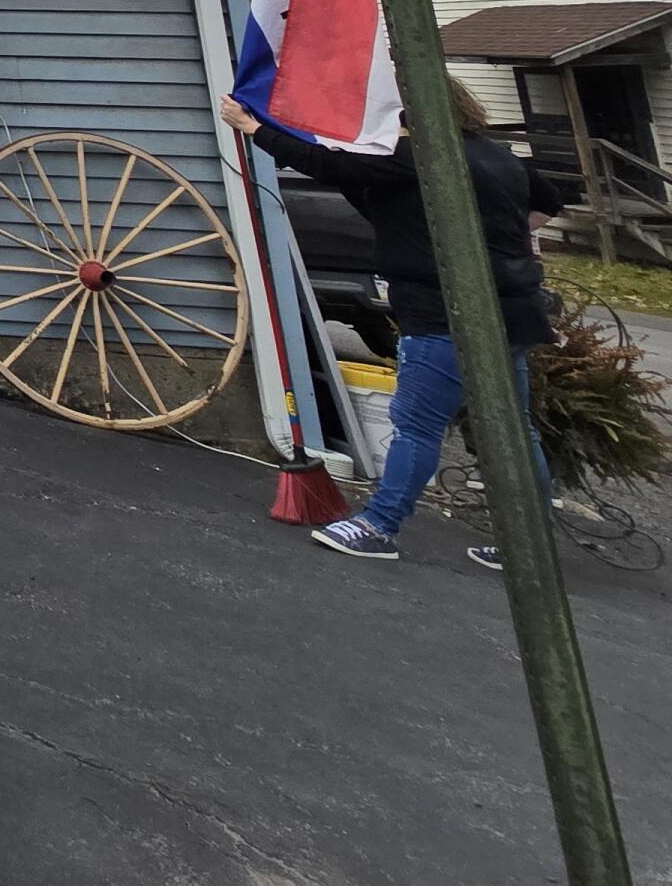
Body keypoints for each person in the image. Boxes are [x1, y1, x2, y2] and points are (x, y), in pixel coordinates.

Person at [218, 84, 557, 567]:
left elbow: (331, 166)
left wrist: (255, 129)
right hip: (518, 310)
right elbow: (549, 201)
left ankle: (380, 525)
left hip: (445, 314)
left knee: (417, 426)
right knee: (517, 432)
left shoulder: (413, 155)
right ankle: (529, 545)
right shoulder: (496, 155)